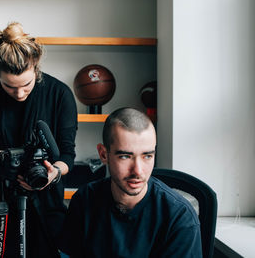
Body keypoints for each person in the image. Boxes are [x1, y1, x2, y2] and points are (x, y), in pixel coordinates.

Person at [0, 22, 77, 257]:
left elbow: (67, 155)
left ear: (36, 67)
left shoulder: (59, 94)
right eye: (9, 87)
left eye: (26, 85)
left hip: (46, 206)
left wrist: (54, 173)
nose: (19, 93)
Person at [59, 107, 202, 257]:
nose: (138, 171)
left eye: (147, 156)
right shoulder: (84, 200)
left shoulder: (179, 217)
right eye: (125, 156)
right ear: (103, 154)